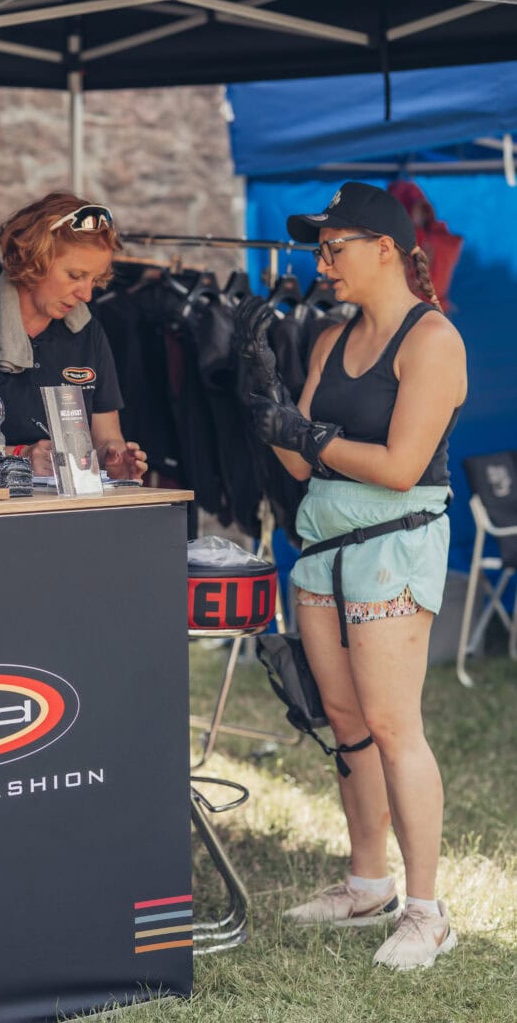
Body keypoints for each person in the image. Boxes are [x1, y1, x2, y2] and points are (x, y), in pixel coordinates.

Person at [240, 182, 467, 971]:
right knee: (344, 721)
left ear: (382, 248)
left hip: (391, 547)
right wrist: (264, 406)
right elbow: (301, 459)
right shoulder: (331, 338)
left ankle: (426, 911)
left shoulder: (431, 339)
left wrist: (308, 432)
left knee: (393, 723)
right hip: (322, 547)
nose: (320, 262)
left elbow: (402, 467)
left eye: (332, 246)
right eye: (316, 248)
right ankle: (366, 882)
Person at [0, 191, 147, 480]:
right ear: (33, 258)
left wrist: (114, 459)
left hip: (65, 515)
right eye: (74, 276)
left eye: (94, 280)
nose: (85, 294)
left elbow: (107, 435)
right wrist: (18, 457)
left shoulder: (88, 330)